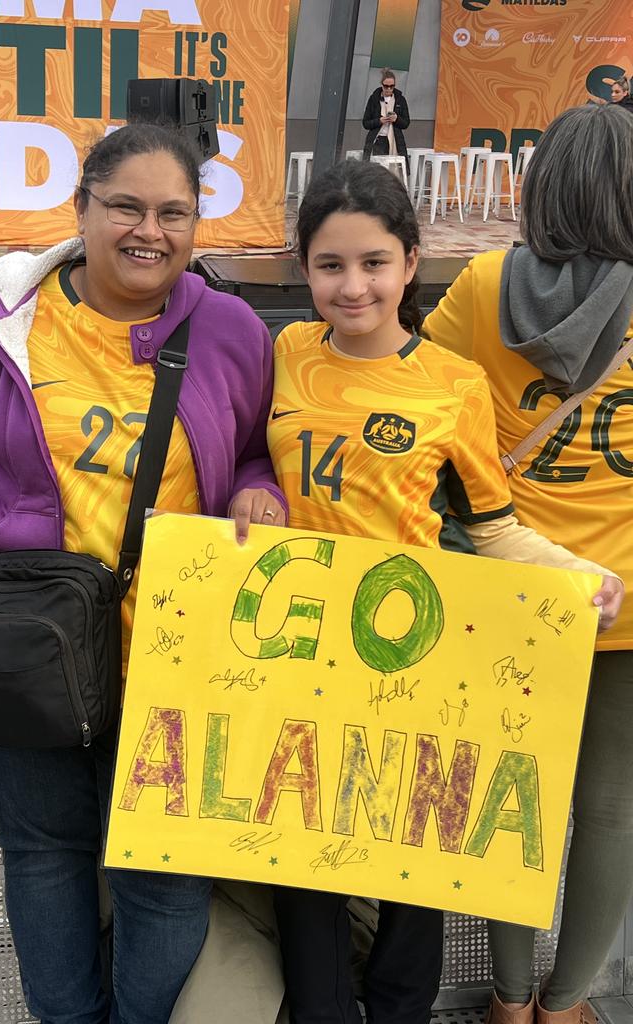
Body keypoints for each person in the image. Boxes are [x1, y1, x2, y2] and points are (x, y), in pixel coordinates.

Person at [0, 122, 286, 1024]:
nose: (150, 230)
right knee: (46, 853)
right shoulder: (2, 316)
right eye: (126, 207)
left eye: (175, 212)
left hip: (176, 656)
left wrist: (258, 491)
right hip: (22, 646)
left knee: (165, 877)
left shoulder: (231, 330)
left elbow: (257, 449)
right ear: (81, 208)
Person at [266, 158, 624, 1024]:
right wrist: (256, 488)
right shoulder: (283, 352)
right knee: (303, 859)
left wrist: (577, 574)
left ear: (412, 261)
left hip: (409, 660)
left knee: (410, 862)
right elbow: (244, 453)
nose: (353, 287)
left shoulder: (454, 386)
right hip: (300, 651)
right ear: (303, 268)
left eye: (375, 263)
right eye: (331, 265)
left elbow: (493, 524)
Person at [422, 102, 633, 1024]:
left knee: (512, 797)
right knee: (613, 812)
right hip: (626, 599)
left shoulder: (477, 286)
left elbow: (413, 398)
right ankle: (570, 1004)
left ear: (539, 182)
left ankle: (508, 1004)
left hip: (509, 590)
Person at [362, 68, 410, 166]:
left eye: (392, 86)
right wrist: (379, 121)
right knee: (376, 168)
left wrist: (396, 119)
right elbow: (365, 123)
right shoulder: (374, 99)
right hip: (377, 139)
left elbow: (406, 123)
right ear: (382, 85)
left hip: (395, 140)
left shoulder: (400, 99)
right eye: (386, 86)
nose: (389, 89)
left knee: (394, 168)